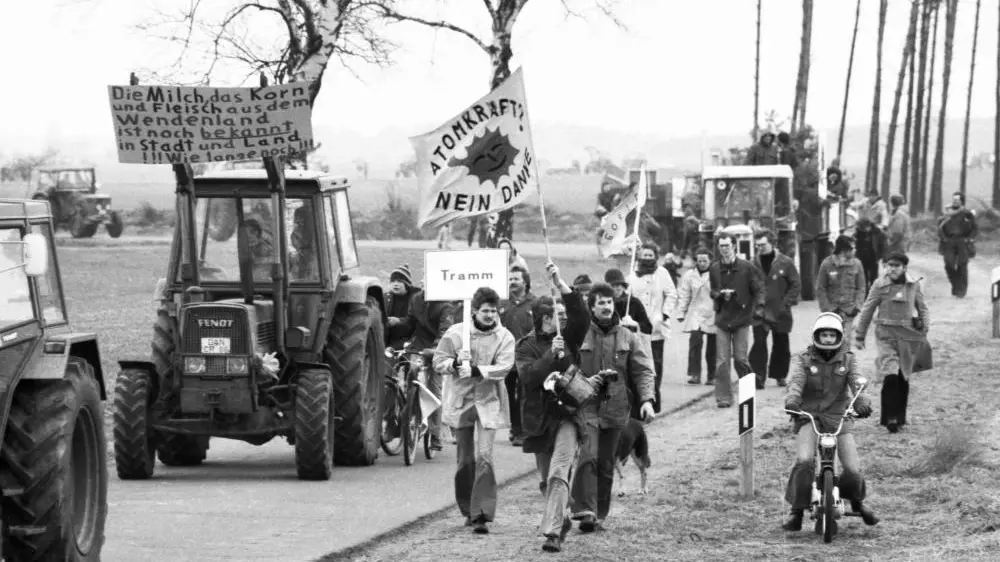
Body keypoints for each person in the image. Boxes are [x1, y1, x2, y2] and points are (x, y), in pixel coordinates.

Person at [515, 261, 589, 552]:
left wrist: (561, 284)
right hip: (539, 419)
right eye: (553, 317)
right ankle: (562, 516)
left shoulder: (569, 336)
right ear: (541, 319)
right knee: (547, 481)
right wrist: (551, 355)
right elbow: (528, 377)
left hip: (568, 415)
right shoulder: (525, 346)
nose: (560, 320)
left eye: (561, 315)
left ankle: (552, 533)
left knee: (560, 471)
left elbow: (581, 316)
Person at [782, 312, 879, 533]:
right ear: (817, 335)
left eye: (831, 335)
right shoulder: (804, 359)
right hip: (809, 416)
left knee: (853, 469)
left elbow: (857, 381)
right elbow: (796, 381)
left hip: (839, 417)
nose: (827, 339)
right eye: (823, 335)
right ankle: (796, 511)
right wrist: (793, 400)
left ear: (839, 336)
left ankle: (856, 502)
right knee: (805, 461)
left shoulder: (848, 358)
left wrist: (861, 401)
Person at [570, 282, 656, 532]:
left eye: (609, 302)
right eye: (601, 303)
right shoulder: (581, 334)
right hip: (587, 405)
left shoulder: (628, 336)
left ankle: (599, 514)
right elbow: (569, 365)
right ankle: (583, 509)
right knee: (588, 456)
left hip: (617, 409)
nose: (607, 307)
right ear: (592, 307)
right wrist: (583, 383)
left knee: (607, 463)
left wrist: (648, 401)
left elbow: (642, 371)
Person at [433, 287, 516, 534]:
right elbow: (439, 362)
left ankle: (482, 513)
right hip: (461, 401)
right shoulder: (457, 333)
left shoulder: (505, 336)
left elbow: (505, 367)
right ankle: (468, 508)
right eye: (485, 311)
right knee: (465, 460)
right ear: (475, 311)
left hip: (488, 401)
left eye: (494, 310)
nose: (490, 315)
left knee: (485, 457)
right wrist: (456, 363)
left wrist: (479, 370)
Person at [853, 252, 930, 434]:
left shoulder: (913, 285)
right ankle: (889, 417)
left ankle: (900, 417)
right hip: (886, 334)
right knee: (890, 373)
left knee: (903, 375)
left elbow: (922, 308)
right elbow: (867, 310)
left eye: (896, 265)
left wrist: (924, 329)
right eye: (889, 265)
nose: (892, 269)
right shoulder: (879, 285)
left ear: (904, 267)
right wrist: (860, 335)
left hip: (907, 335)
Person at [709, 233, 765, 408]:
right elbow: (712, 291)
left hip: (742, 318)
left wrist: (759, 307)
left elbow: (758, 289)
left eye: (727, 245)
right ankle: (724, 398)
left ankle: (748, 393)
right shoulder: (714, 268)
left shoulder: (747, 267)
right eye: (721, 246)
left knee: (740, 359)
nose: (724, 249)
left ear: (734, 246)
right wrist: (720, 295)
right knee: (722, 361)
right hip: (722, 319)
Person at [627, 243, 678, 413]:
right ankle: (641, 397)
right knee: (640, 361)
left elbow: (672, 294)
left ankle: (654, 396)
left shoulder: (662, 273)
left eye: (650, 255)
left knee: (656, 361)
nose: (647, 258)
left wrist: (664, 314)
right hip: (637, 327)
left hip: (657, 326)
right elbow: (628, 297)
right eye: (644, 255)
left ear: (655, 257)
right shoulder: (632, 274)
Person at [749, 230, 801, 389]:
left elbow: (795, 284)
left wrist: (787, 303)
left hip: (780, 310)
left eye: (763, 245)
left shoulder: (785, 262)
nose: (760, 248)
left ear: (772, 243)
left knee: (781, 344)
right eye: (757, 245)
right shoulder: (752, 264)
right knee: (759, 343)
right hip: (759, 311)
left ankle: (779, 374)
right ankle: (758, 376)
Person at [407, 288, 458, 449]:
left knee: (433, 388)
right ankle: (402, 424)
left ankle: (435, 435)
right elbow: (410, 322)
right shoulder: (416, 299)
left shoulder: (445, 305)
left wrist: (436, 350)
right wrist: (394, 324)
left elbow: (445, 332)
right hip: (417, 346)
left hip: (437, 348)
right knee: (406, 380)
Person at [500, 265, 536, 447]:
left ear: (525, 282)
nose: (512, 282)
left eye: (516, 279)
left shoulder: (535, 303)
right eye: (510, 279)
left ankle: (524, 430)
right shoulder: (501, 303)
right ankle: (515, 428)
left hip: (528, 360)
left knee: (525, 395)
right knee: (509, 396)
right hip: (506, 359)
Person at [676, 246, 717, 385]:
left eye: (705, 260)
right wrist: (681, 312)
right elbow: (685, 294)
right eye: (700, 260)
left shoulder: (716, 273)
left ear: (710, 261)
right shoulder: (689, 275)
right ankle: (695, 374)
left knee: (713, 346)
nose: (702, 263)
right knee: (695, 341)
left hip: (713, 312)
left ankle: (712, 376)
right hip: (696, 313)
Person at [816, 235, 867, 345]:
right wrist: (827, 308)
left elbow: (861, 288)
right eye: (852, 248)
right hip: (832, 312)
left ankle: (844, 362)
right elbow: (820, 288)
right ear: (844, 250)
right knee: (831, 343)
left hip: (849, 311)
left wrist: (857, 307)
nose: (855, 250)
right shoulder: (827, 264)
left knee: (846, 342)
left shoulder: (857, 264)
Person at [938, 192, 979, 298]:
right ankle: (956, 285)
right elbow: (940, 226)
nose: (955, 201)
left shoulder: (967, 213)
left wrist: (969, 239)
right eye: (954, 199)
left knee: (962, 265)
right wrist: (943, 238)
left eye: (957, 200)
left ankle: (961, 292)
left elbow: (975, 228)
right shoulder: (947, 212)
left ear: (962, 201)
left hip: (962, 242)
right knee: (948, 264)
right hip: (949, 241)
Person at [384, 264, 419, 350]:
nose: (395, 284)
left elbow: (415, 322)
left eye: (399, 281)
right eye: (393, 281)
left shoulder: (416, 299)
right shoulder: (385, 298)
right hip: (388, 340)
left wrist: (399, 321)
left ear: (407, 284)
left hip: (409, 341)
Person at [853, 217, 885, 295]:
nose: (862, 230)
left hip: (873, 257)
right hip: (862, 258)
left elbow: (882, 245)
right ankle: (865, 294)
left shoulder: (877, 232)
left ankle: (874, 293)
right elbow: (856, 244)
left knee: (873, 277)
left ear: (868, 226)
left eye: (863, 228)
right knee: (863, 277)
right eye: (861, 229)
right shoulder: (858, 232)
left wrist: (881, 256)